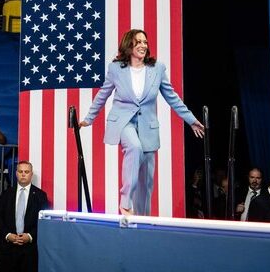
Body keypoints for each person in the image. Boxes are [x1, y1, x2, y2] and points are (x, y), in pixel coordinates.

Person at [79, 29, 205, 216]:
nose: (143, 45)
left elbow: (172, 97)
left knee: (146, 181)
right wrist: (89, 118)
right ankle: (125, 202)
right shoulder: (116, 69)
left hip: (148, 127)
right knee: (134, 147)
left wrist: (191, 120)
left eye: (145, 42)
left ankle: (142, 219)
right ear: (128, 45)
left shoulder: (157, 69)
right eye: (138, 42)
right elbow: (102, 95)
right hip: (124, 122)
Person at [0, 161, 48, 272]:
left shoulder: (41, 196)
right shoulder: (6, 194)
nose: (23, 174)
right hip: (8, 249)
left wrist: (29, 236)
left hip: (30, 250)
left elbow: (44, 222)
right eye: (20, 171)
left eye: (26, 172)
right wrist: (8, 235)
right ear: (16, 173)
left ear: (31, 174)